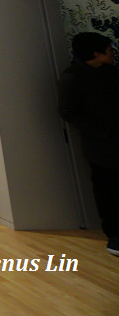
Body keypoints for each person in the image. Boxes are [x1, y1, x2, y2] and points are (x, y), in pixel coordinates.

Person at [58, 31, 119, 257]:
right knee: (108, 190)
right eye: (108, 49)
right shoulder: (73, 77)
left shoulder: (110, 72)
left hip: (111, 139)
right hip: (102, 147)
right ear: (96, 53)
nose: (112, 52)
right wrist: (100, 132)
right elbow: (67, 111)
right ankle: (114, 234)